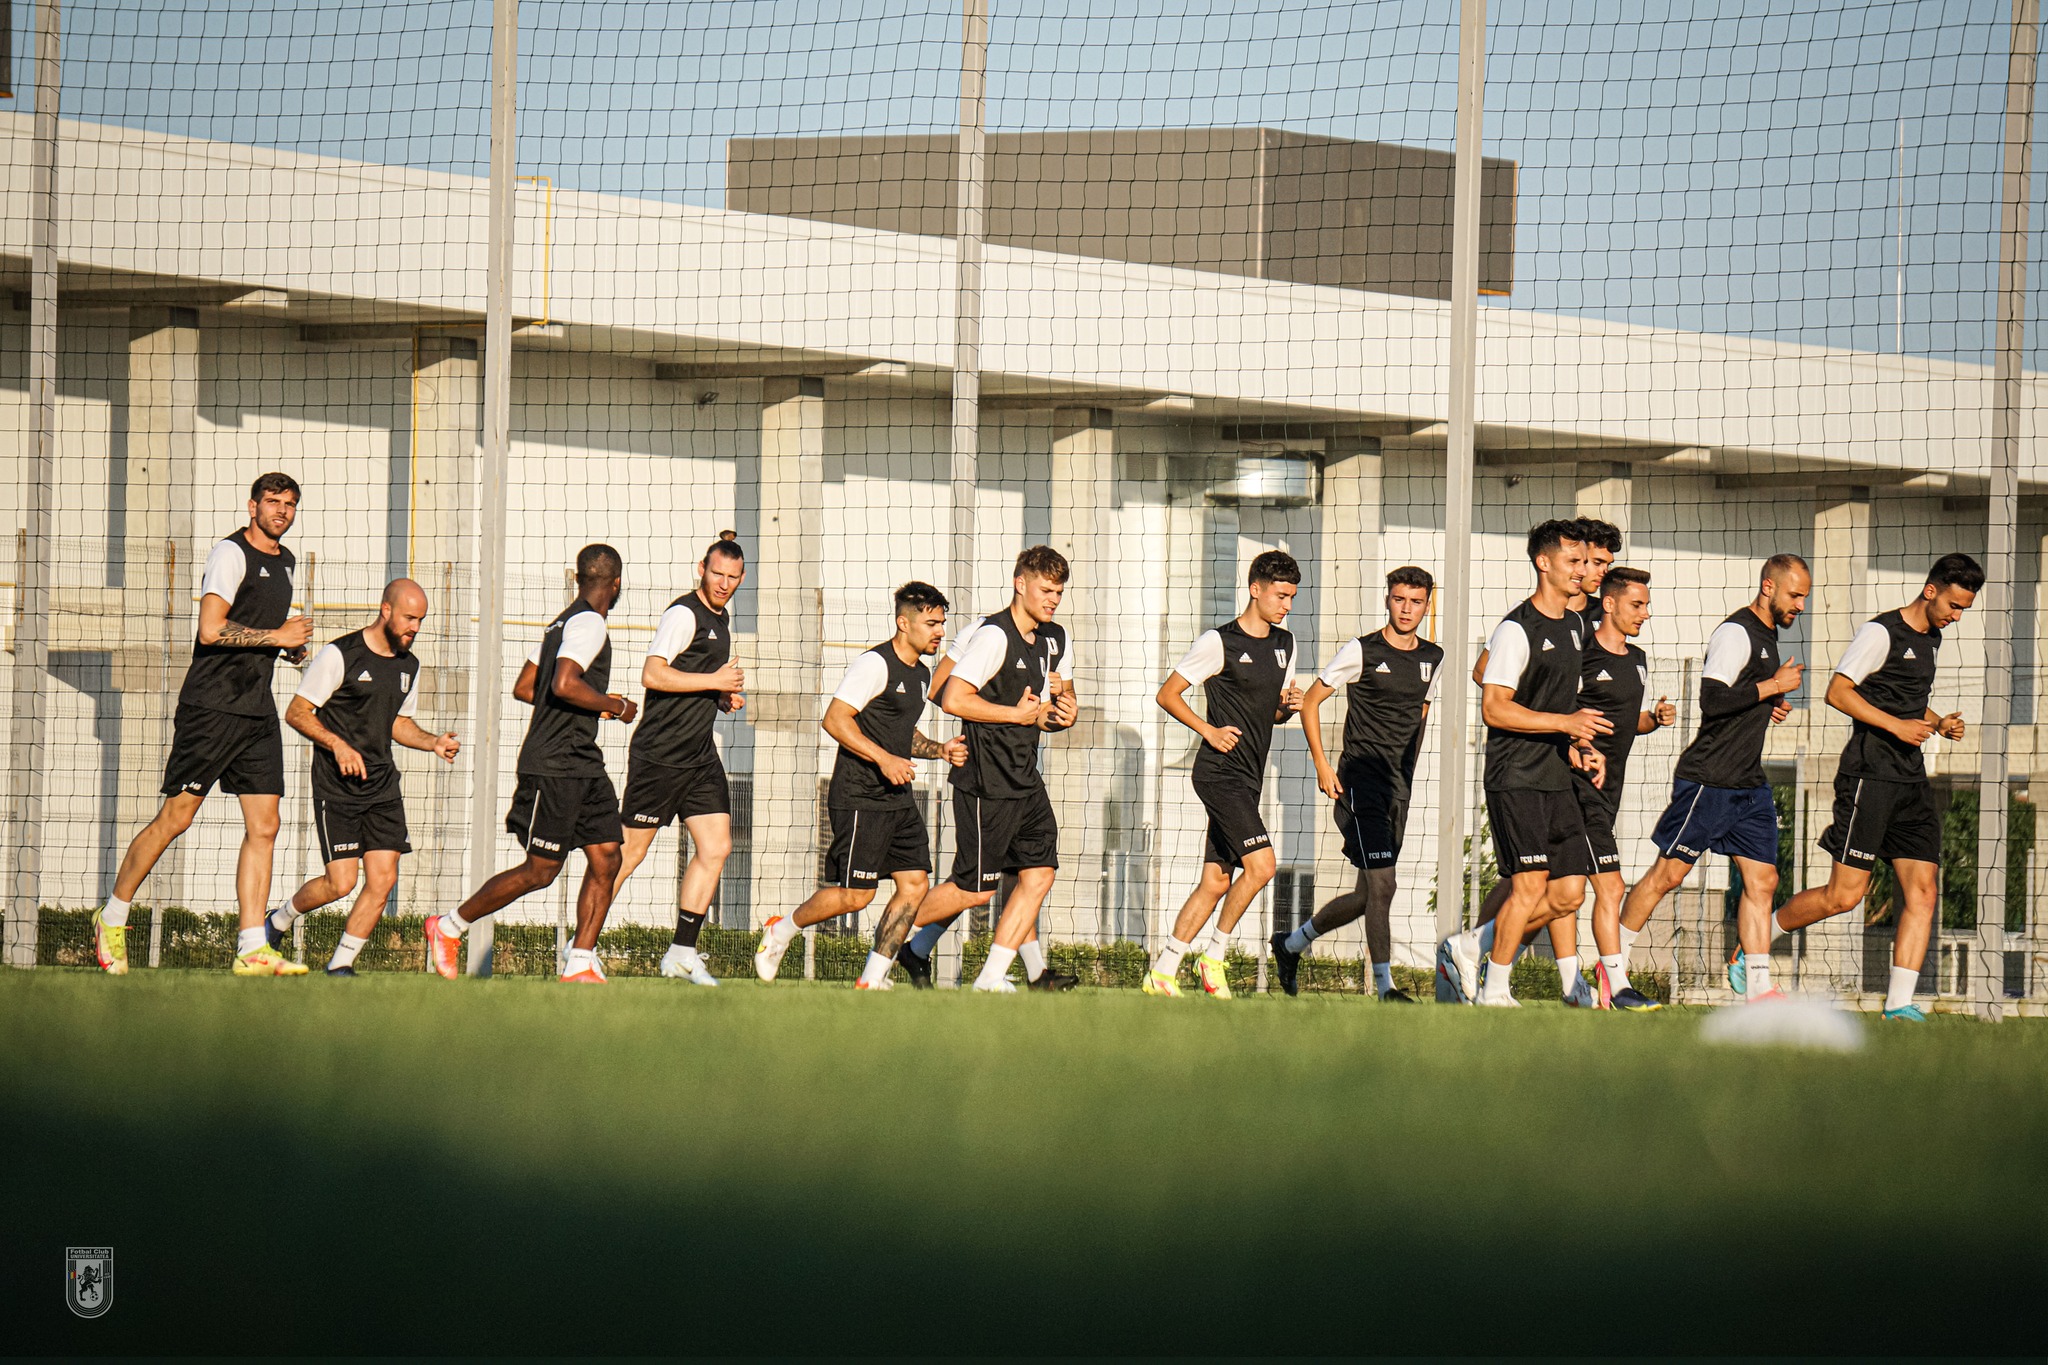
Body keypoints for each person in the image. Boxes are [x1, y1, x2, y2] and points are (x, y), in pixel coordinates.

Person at [92, 473, 315, 977]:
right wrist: (275, 634)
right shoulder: (230, 554)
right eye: (273, 502)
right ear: (253, 505)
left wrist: (287, 646)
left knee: (266, 824)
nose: (281, 511)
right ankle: (112, 917)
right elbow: (211, 630)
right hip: (211, 707)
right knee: (176, 818)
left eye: (290, 504)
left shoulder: (287, 562)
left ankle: (252, 947)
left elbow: (259, 632)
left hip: (257, 711)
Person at [1755, 554, 1982, 1021]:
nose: (1957, 617)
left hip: (1910, 781)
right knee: (1845, 896)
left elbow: (1904, 702)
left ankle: (1899, 1005)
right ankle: (1753, 943)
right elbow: (1837, 692)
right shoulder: (1881, 633)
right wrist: (1898, 728)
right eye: (1955, 606)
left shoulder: (1933, 638)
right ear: (1932, 590)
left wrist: (1938, 722)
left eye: (1965, 610)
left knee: (1923, 892)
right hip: (1869, 774)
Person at [424, 545, 637, 984]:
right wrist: (614, 705)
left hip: (583, 762)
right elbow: (561, 683)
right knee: (540, 871)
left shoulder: (560, 623)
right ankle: (448, 927)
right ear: (616, 584)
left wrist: (586, 705)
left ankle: (580, 959)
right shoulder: (590, 623)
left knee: (607, 856)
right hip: (554, 763)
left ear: (579, 579)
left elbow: (526, 687)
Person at [1615, 554, 1809, 1004]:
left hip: (1749, 785)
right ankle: (1614, 969)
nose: (1800, 605)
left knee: (1763, 882)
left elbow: (1742, 698)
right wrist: (1772, 688)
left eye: (1804, 597)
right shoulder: (1736, 631)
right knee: (1667, 876)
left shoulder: (1768, 637)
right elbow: (1712, 699)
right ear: (1769, 587)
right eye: (1795, 594)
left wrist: (1767, 704)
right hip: (1710, 779)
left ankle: (1757, 987)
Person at [753, 582, 968, 988]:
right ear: (903, 623)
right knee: (857, 895)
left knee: (915, 884)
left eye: (942, 622)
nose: (939, 631)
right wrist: (884, 759)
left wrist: (939, 749)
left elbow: (899, 730)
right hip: (859, 795)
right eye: (931, 623)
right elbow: (835, 719)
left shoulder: (921, 674)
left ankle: (872, 978)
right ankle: (781, 930)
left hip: (897, 798)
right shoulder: (875, 665)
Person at [1436, 519, 1610, 1007]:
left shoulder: (1575, 625)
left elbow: (1557, 706)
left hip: (1556, 776)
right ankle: (1496, 991)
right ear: (1544, 563)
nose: (1581, 570)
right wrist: (1564, 724)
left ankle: (1469, 946)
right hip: (1515, 776)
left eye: (1584, 562)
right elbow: (1495, 707)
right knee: (1530, 886)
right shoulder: (1516, 629)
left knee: (1570, 893)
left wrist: (1579, 746)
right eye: (1573, 561)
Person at [898, 546, 1081, 993]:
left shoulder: (1054, 638)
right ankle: (891, 935)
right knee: (975, 889)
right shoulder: (991, 635)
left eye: (1059, 592)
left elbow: (1054, 708)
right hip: (987, 778)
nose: (1053, 599)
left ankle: (993, 977)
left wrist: (1063, 713)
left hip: (1025, 775)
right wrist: (1011, 716)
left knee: (1037, 874)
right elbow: (949, 694)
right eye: (1045, 590)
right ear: (1020, 583)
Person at [263, 579, 460, 975]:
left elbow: (398, 725)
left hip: (383, 785)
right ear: (385, 610)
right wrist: (338, 745)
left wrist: (433, 742)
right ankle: (277, 921)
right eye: (409, 618)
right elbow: (297, 712)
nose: (415, 628)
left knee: (383, 878)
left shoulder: (410, 666)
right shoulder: (340, 655)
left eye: (420, 620)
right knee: (341, 882)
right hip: (337, 787)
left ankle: (341, 966)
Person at [1272, 565, 1440, 1002]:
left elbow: (1420, 715)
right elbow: (1310, 701)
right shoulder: (1361, 650)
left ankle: (1291, 945)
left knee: (1368, 893)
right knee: (1385, 885)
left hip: (1396, 788)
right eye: (1399, 599)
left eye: (1416, 601)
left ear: (1427, 605)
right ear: (1388, 599)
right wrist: (1323, 766)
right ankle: (1386, 988)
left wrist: (1408, 773)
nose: (1407, 609)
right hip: (1359, 782)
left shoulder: (1432, 658)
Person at [1145, 551, 1306, 999]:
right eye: (1280, 595)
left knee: (1216, 880)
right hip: (1218, 773)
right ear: (1255, 589)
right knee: (1263, 865)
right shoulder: (1219, 642)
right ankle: (1214, 956)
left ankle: (1163, 971)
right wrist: (1208, 730)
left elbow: (1271, 715)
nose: (1286, 605)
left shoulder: (1285, 644)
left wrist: (1284, 708)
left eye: (1291, 597)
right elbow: (1168, 694)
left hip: (1249, 777)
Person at [608, 535, 747, 985]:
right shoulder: (684, 613)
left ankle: (682, 953)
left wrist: (720, 695)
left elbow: (691, 681)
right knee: (629, 854)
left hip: (699, 754)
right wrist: (713, 679)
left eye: (732, 577)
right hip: (662, 753)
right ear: (701, 570)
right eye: (716, 574)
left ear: (741, 579)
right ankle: (582, 947)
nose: (723, 583)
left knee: (716, 847)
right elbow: (653, 673)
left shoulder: (721, 619)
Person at [1567, 566, 1677, 1010]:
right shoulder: (1580, 654)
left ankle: (1476, 952)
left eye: (1647, 605)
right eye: (1637, 604)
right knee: (1610, 888)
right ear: (1608, 604)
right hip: (1575, 788)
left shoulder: (1638, 660)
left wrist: (1654, 718)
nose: (1644, 613)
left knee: (1558, 895)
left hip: (1609, 793)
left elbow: (1625, 722)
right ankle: (1616, 982)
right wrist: (1576, 742)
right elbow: (1555, 711)